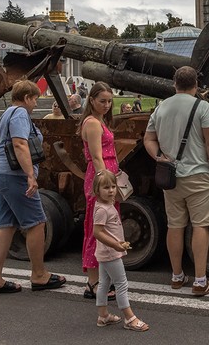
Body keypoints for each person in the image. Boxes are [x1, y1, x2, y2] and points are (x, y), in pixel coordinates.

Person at [143, 66, 209, 297]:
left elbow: (148, 139)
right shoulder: (203, 107)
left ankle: (177, 276)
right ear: (196, 85)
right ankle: (200, 281)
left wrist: (159, 157)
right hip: (198, 174)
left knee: (175, 226)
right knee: (200, 226)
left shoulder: (161, 107)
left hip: (171, 176)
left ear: (174, 84)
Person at [0, 80, 66, 294]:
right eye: (35, 99)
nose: (36, 103)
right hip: (15, 176)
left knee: (6, 225)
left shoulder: (6, 114)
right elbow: (20, 144)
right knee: (37, 223)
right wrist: (30, 175)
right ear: (27, 98)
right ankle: (39, 275)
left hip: (0, 173)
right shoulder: (20, 114)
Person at [92, 170, 149, 331]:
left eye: (113, 186)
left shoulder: (105, 205)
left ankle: (103, 316)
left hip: (106, 252)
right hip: (110, 253)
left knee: (104, 283)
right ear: (97, 191)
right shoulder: (103, 210)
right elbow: (97, 232)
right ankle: (130, 318)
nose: (111, 190)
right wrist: (116, 245)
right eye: (106, 188)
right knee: (121, 284)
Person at [80, 82, 120, 300]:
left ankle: (99, 279)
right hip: (100, 179)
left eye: (109, 101)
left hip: (105, 178)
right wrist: (105, 184)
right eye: (102, 101)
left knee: (105, 227)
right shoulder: (93, 123)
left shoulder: (98, 121)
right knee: (98, 229)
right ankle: (93, 282)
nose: (107, 105)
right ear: (92, 100)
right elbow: (97, 157)